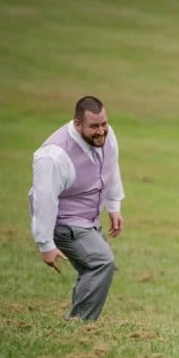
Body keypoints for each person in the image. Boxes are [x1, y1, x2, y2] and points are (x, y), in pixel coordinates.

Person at [28, 97, 125, 321]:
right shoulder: (53, 156)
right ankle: (79, 325)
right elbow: (44, 200)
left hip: (89, 220)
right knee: (101, 263)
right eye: (94, 126)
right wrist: (45, 244)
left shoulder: (107, 137)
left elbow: (112, 166)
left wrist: (113, 205)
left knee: (95, 268)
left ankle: (77, 321)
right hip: (63, 223)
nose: (101, 131)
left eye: (104, 124)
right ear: (77, 124)